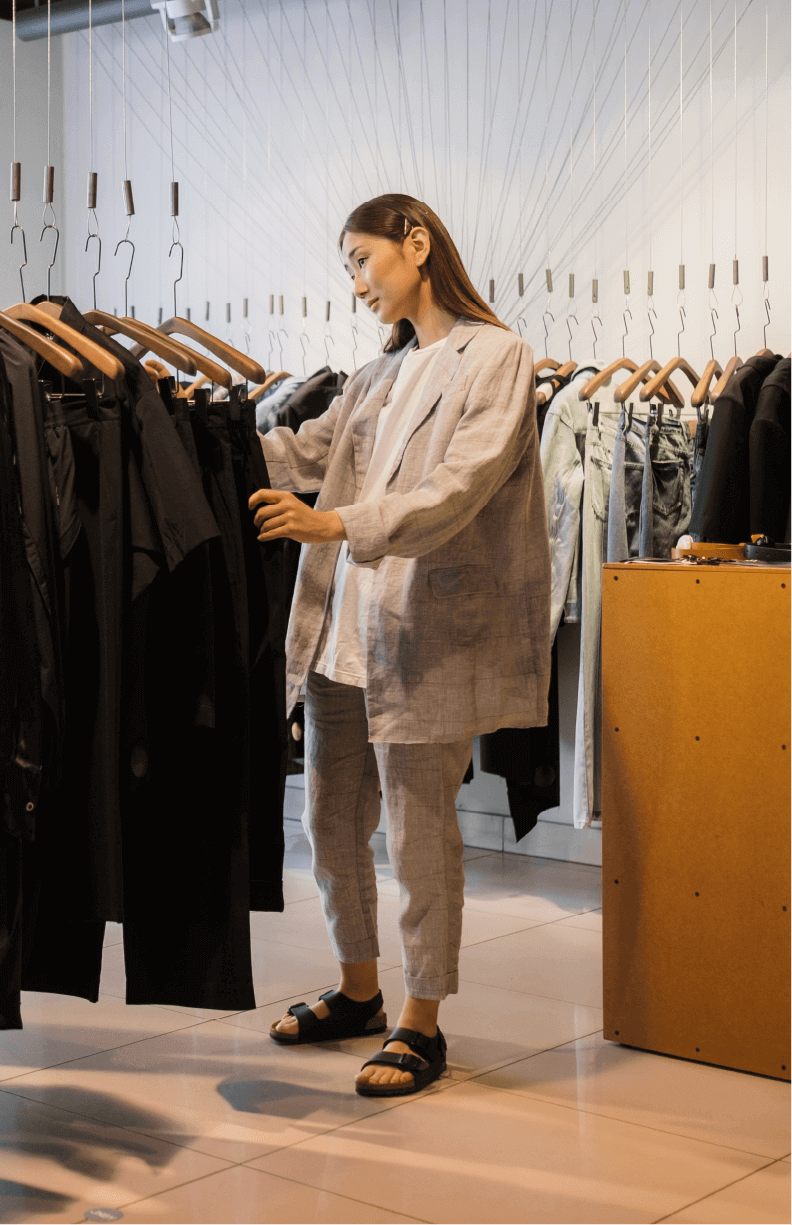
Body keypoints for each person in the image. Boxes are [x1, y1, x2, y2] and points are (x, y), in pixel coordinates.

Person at [249, 193, 551, 1097]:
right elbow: (308, 453)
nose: (354, 284)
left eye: (360, 259)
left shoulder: (495, 357)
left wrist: (334, 520)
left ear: (415, 244)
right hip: (346, 625)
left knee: (419, 833)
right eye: (346, 266)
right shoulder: (376, 376)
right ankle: (358, 990)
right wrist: (184, 426)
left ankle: (422, 1021)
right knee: (327, 822)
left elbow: (459, 488)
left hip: (426, 631)